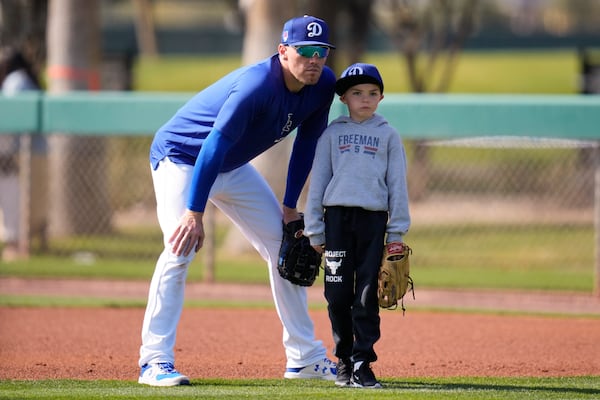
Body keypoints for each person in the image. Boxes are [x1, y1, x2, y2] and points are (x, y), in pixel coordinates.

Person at [138, 15, 338, 386]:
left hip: (232, 164)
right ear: (283, 51)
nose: (314, 60)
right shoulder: (257, 85)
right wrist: (194, 213)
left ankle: (305, 357)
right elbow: (212, 145)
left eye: (321, 52)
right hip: (182, 157)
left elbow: (307, 143)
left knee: (286, 248)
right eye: (305, 51)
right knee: (180, 248)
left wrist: (290, 206)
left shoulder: (323, 84)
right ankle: (153, 361)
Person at [304, 63, 411, 388]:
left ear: (380, 97)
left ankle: (363, 362)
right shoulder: (332, 134)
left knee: (366, 294)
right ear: (344, 98)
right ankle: (343, 360)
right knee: (336, 295)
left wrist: (397, 232)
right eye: (356, 93)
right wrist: (314, 229)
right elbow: (318, 181)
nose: (365, 99)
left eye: (372, 93)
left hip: (372, 221)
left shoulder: (388, 135)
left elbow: (397, 184)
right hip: (336, 220)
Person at [0, 47, 42, 261]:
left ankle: (17, 245)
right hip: (24, 154)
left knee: (19, 202)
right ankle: (19, 243)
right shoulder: (21, 78)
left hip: (21, 154)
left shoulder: (15, 80)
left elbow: (10, 121)